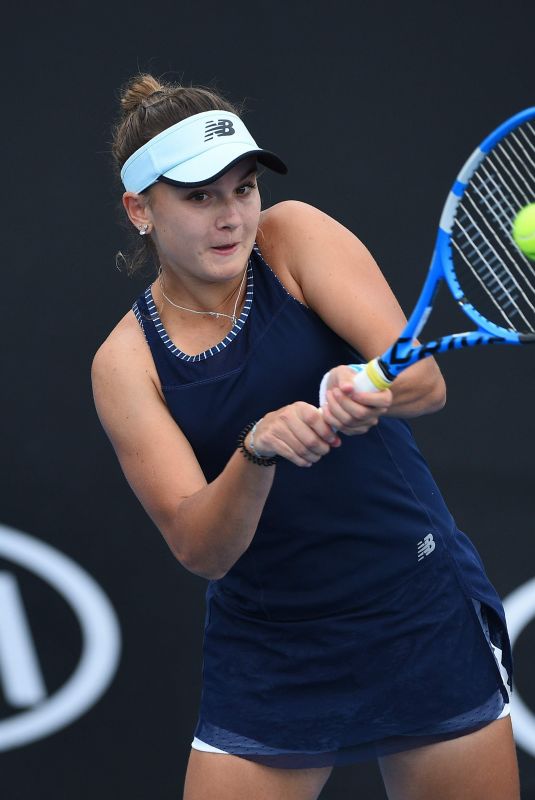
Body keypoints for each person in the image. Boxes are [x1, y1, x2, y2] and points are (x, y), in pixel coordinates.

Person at [92, 73, 520, 800]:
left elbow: (423, 383)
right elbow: (201, 548)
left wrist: (365, 386)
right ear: (140, 209)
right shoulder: (125, 364)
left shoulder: (293, 237)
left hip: (414, 608)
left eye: (243, 188)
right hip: (270, 647)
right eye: (199, 197)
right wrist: (257, 450)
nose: (231, 216)